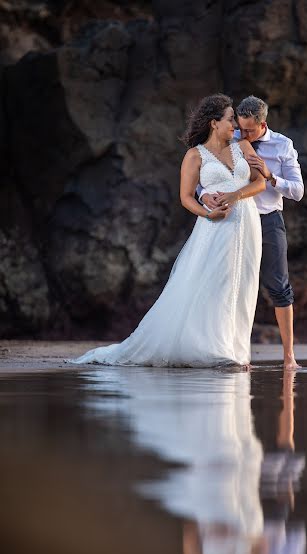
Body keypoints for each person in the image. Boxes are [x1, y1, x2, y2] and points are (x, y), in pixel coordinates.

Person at [67, 94, 266, 367]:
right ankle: (215, 349)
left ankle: (236, 348)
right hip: (216, 226)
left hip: (248, 222)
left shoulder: (243, 146)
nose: (236, 124)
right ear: (214, 123)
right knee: (213, 283)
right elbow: (186, 197)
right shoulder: (195, 156)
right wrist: (208, 212)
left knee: (244, 283)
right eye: (230, 119)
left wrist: (235, 196)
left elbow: (260, 184)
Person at [200, 96, 304, 370]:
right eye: (239, 128)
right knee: (228, 285)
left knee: (279, 287)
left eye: (248, 131)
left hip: (268, 220)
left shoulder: (283, 145)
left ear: (263, 124)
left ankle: (289, 357)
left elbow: (298, 191)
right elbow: (205, 173)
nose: (241, 134)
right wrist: (204, 196)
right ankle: (230, 351)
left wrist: (270, 177)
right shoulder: (229, 137)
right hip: (231, 221)